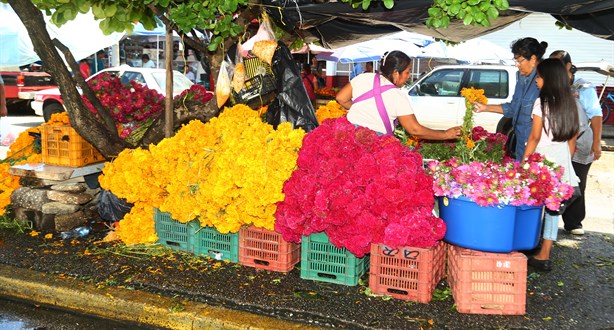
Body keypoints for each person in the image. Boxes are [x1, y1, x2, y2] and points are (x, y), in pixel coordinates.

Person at [522, 58, 580, 271]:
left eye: (538, 76)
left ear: (548, 79)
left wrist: (524, 162)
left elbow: (535, 137)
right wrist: (565, 161)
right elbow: (573, 137)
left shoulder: (541, 103)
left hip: (542, 159)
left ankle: (532, 244)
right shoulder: (570, 102)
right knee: (553, 208)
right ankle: (545, 251)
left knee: (534, 202)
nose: (536, 80)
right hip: (561, 159)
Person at [336, 50, 460, 140]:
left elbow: (341, 98)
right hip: (374, 144)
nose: (409, 75)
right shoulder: (397, 96)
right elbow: (414, 130)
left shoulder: (363, 77)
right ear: (396, 73)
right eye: (407, 72)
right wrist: (445, 134)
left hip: (348, 138)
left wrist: (362, 111)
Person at [550, 50, 603, 235]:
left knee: (577, 183)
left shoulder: (583, 87)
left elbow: (596, 115)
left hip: (581, 142)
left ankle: (573, 223)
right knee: (557, 180)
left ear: (567, 66)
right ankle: (550, 221)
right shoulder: (552, 85)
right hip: (559, 142)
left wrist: (597, 143)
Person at [473, 37, 549, 160]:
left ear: (533, 59)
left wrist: (527, 158)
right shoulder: (521, 78)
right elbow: (513, 108)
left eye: (520, 61)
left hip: (536, 147)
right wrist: (485, 107)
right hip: (520, 141)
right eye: (515, 61)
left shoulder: (543, 81)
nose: (517, 65)